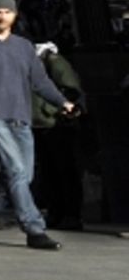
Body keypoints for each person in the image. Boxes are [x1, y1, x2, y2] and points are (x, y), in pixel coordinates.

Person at [0, 0, 77, 251]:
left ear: (15, 14)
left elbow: (40, 81)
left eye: (7, 12)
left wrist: (62, 102)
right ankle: (34, 229)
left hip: (21, 116)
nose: (2, 17)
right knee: (17, 172)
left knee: (24, 175)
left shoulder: (23, 46)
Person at [31, 42, 85, 231]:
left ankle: (70, 214)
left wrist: (53, 109)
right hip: (41, 123)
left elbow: (71, 88)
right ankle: (57, 212)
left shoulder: (52, 60)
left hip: (55, 123)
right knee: (50, 172)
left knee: (63, 170)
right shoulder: (37, 60)